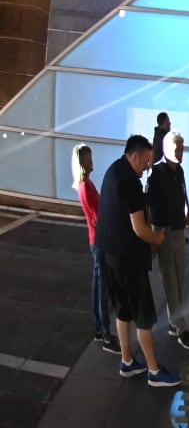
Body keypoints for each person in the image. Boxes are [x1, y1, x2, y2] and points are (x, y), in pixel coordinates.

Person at [99, 135, 180, 387]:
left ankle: (127, 361)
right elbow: (139, 229)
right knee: (144, 315)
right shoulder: (129, 183)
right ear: (134, 155)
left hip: (110, 254)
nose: (147, 166)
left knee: (123, 310)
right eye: (145, 160)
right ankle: (154, 371)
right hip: (129, 260)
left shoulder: (113, 171)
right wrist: (157, 239)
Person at [146, 131, 189, 350]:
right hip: (165, 232)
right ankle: (181, 327)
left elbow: (182, 192)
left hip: (178, 230)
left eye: (182, 149)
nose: (181, 153)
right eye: (177, 149)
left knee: (179, 278)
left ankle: (173, 322)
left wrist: (187, 211)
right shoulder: (157, 173)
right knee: (170, 281)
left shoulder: (179, 171)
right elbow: (149, 203)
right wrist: (155, 233)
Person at [74, 144, 113, 350]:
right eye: (89, 159)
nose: (92, 162)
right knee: (102, 287)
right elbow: (98, 217)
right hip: (98, 241)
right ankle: (105, 332)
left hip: (95, 239)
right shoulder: (86, 187)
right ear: (83, 164)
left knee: (98, 284)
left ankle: (100, 328)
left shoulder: (86, 184)